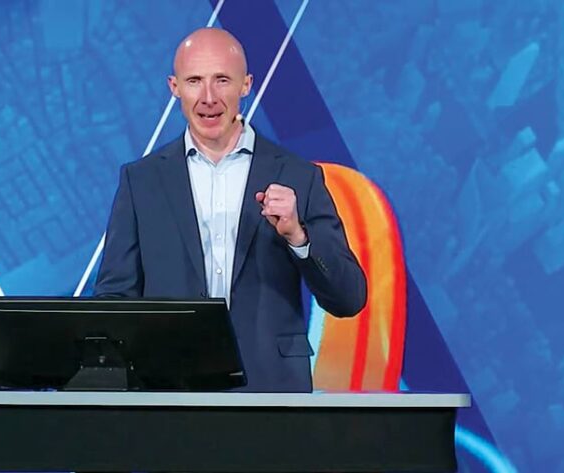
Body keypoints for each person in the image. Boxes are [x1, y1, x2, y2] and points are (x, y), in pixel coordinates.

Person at [94, 27, 366, 392]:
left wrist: (298, 237)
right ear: (174, 87)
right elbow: (114, 302)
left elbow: (349, 298)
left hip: (271, 392)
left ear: (246, 85)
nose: (208, 97)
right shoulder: (141, 182)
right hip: (169, 395)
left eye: (222, 80)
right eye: (194, 81)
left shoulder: (299, 176)